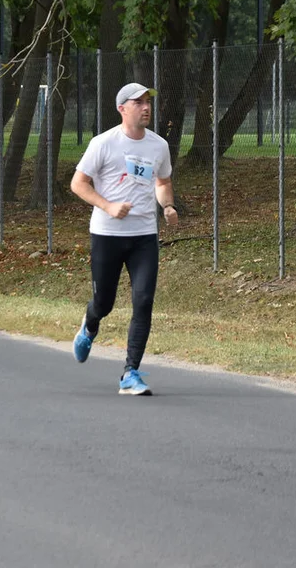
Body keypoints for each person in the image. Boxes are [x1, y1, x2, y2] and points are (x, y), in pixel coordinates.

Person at [70, 82, 178, 395]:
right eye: (138, 102)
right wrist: (108, 206)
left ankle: (130, 373)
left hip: (144, 235)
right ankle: (90, 324)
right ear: (122, 109)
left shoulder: (158, 146)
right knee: (104, 303)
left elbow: (163, 181)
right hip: (107, 234)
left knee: (143, 302)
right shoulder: (103, 143)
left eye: (148, 102)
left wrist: (167, 205)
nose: (146, 107)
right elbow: (79, 183)